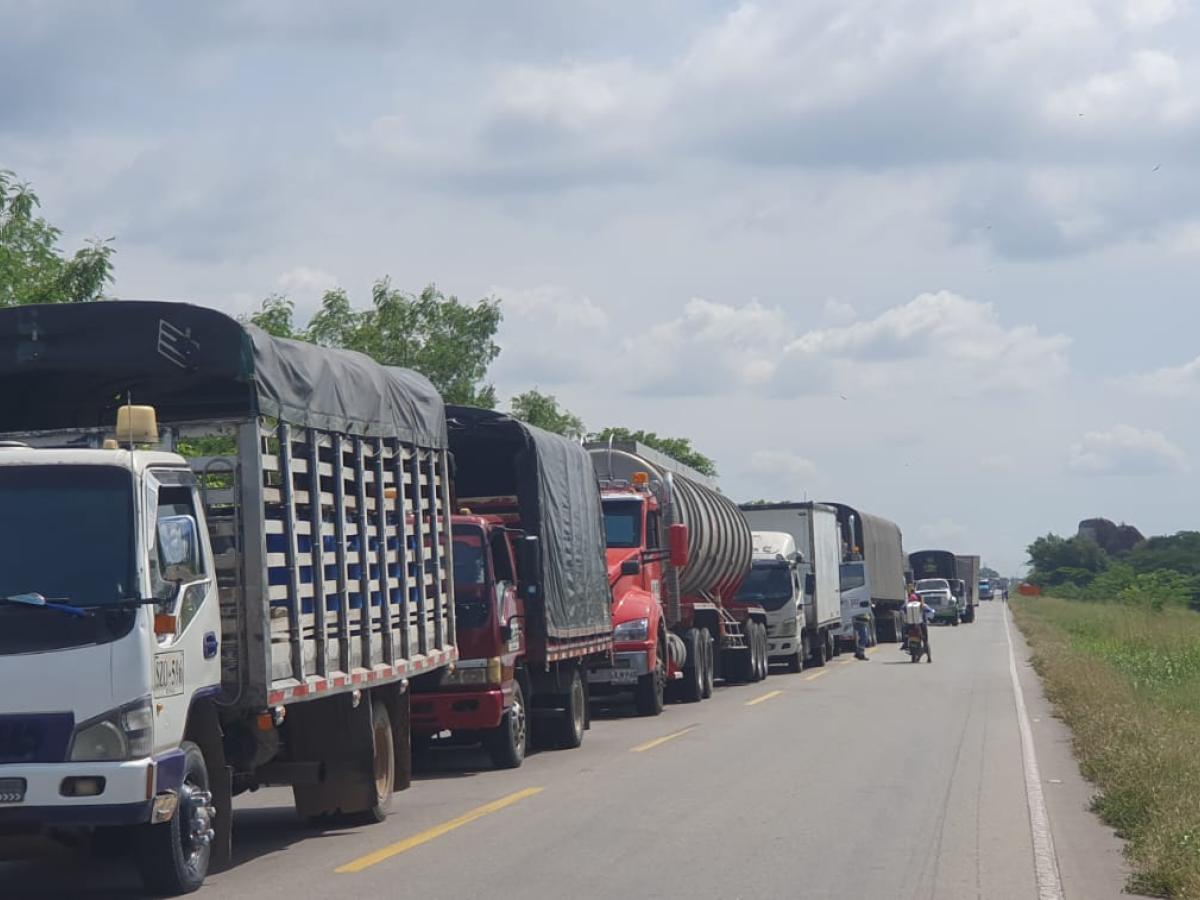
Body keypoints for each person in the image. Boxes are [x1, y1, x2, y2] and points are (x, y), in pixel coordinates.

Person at [902, 590, 933, 662]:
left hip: (910, 626)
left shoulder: (906, 606)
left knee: (906, 635)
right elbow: (930, 612)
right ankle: (929, 658)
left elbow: (902, 611)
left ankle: (905, 644)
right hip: (921, 626)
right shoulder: (923, 605)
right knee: (925, 641)